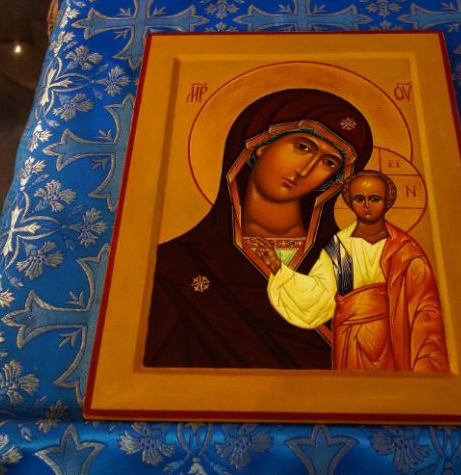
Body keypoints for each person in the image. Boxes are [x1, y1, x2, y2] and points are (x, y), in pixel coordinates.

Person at [144, 88, 373, 369]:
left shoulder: (344, 256)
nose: (305, 170)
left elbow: (370, 350)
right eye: (303, 147)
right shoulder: (176, 265)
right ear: (262, 145)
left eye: (328, 163)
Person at [256, 170, 449, 372]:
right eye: (359, 199)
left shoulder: (404, 251)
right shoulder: (342, 247)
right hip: (351, 341)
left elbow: (424, 309)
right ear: (349, 202)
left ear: (388, 201)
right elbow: (320, 293)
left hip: (394, 340)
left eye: (374, 199)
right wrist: (278, 268)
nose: (366, 205)